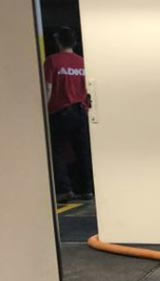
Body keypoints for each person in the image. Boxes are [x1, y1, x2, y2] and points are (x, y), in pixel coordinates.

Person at [44, 26, 94, 203]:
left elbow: (48, 88)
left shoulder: (52, 61)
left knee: (57, 151)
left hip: (60, 112)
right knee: (83, 151)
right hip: (80, 111)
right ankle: (87, 189)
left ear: (58, 41)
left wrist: (43, 110)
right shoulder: (82, 62)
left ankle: (65, 190)